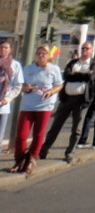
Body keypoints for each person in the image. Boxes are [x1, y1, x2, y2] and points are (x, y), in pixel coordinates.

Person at [39, 41, 95, 164]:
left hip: (81, 100)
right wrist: (81, 75)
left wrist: (75, 74)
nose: (84, 50)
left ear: (92, 51)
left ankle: (69, 153)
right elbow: (66, 76)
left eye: (87, 48)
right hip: (66, 99)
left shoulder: (93, 64)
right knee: (56, 125)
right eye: (83, 48)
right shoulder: (73, 63)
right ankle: (44, 149)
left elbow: (90, 78)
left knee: (76, 129)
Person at [10, 45, 63, 175]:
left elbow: (60, 84)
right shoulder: (28, 68)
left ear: (48, 55)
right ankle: (19, 159)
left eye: (43, 53)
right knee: (22, 135)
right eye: (38, 53)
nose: (41, 55)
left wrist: (51, 91)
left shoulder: (53, 69)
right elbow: (20, 84)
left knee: (38, 134)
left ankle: (31, 158)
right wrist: (25, 87)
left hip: (44, 105)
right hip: (28, 105)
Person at [0, 39, 23, 152]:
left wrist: (8, 99)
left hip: (3, 104)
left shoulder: (15, 65)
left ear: (10, 50)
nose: (3, 50)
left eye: (6, 48)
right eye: (1, 47)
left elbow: (18, 85)